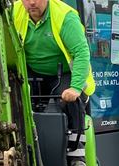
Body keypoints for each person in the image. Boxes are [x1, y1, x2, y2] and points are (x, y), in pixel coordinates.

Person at [13, 0, 95, 133]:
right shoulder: (13, 12)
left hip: (64, 74)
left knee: (67, 104)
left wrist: (75, 88)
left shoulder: (65, 16)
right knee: (17, 104)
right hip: (32, 72)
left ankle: (76, 148)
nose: (32, 2)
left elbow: (81, 53)